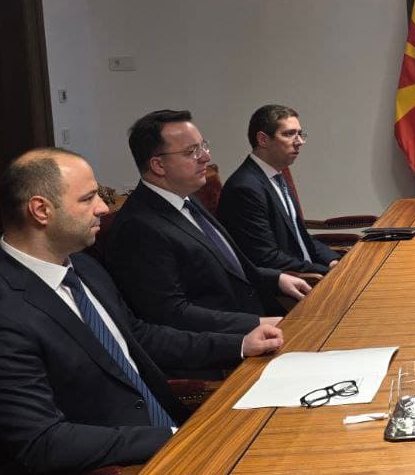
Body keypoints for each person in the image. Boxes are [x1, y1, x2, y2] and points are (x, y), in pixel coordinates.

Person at [0, 148, 284, 475]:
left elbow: (138, 337)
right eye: (87, 198)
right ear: (41, 210)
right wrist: (176, 438)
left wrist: (240, 344)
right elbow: (44, 443)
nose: (104, 208)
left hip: (172, 439)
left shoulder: (82, 266)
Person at [102, 110, 313, 334]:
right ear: (158, 165)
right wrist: (254, 324)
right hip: (229, 340)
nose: (205, 157)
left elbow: (231, 267)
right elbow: (171, 314)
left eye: (203, 146)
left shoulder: (187, 197)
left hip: (259, 315)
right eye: (192, 151)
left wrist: (277, 278)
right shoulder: (137, 228)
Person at [217, 105, 342, 274]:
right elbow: (266, 258)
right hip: (291, 283)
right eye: (289, 134)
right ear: (263, 139)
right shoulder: (244, 188)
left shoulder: (276, 174)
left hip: (307, 271)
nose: (299, 142)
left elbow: (299, 237)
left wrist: (334, 261)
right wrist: (326, 272)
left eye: (300, 134)